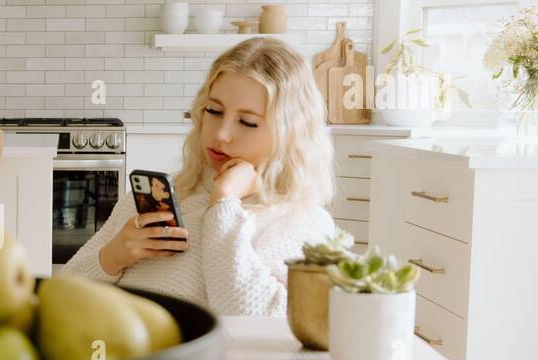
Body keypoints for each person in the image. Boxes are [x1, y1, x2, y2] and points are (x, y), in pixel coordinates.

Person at [61, 36, 337, 316]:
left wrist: (224, 202)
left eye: (248, 122)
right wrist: (114, 256)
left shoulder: (301, 221)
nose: (220, 134)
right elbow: (62, 296)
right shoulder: (159, 196)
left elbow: (250, 320)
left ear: (290, 133)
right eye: (214, 111)